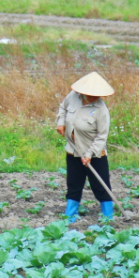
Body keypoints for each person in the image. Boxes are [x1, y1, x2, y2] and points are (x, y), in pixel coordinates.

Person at [55, 71, 114, 223]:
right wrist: (60, 123)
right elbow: (63, 108)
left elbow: (102, 136)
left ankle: (108, 216)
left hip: (95, 154)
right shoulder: (73, 97)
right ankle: (70, 214)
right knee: (74, 183)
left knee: (100, 184)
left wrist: (89, 154)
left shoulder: (101, 110)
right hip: (73, 150)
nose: (95, 97)